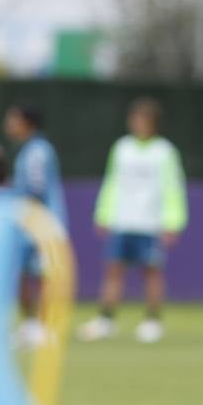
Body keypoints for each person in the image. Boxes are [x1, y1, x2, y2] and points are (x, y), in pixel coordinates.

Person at [78, 98, 187, 344]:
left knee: (151, 272)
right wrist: (103, 214)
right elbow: (111, 182)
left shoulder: (165, 152)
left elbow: (173, 188)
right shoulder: (122, 148)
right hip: (121, 220)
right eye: (135, 119)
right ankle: (106, 319)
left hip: (149, 222)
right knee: (113, 269)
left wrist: (173, 221)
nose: (138, 124)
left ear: (154, 124)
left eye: (144, 120)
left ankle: (152, 321)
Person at [4, 104, 68, 345]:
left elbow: (36, 189)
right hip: (28, 224)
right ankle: (30, 325)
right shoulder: (28, 150)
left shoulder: (38, 151)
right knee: (23, 274)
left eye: (13, 120)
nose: (8, 126)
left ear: (26, 123)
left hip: (40, 225)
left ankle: (43, 326)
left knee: (43, 276)